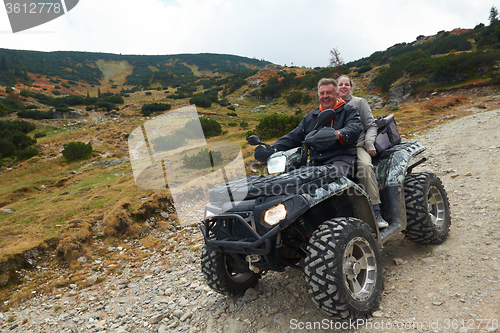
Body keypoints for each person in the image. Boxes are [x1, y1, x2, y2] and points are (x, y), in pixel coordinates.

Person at [254, 77, 362, 178]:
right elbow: (294, 137)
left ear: (337, 94)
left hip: (341, 159)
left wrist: (337, 134)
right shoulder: (311, 117)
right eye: (322, 93)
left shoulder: (348, 111)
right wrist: (272, 148)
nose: (325, 96)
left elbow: (354, 128)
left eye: (329, 93)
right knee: (293, 181)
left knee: (331, 180)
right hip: (316, 162)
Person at [337, 75, 388, 228]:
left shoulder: (359, 102)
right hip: (338, 150)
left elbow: (371, 125)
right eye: (341, 84)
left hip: (358, 146)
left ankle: (376, 210)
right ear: (336, 88)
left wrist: (369, 143)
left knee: (365, 167)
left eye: (347, 84)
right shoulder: (332, 107)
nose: (344, 87)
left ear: (351, 88)